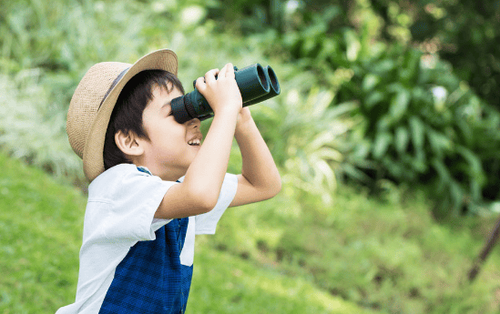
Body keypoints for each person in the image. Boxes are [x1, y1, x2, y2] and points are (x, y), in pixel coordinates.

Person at [57, 48, 281, 313]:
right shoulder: (118, 187)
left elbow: (263, 185)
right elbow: (200, 195)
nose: (195, 120)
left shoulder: (179, 188)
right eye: (176, 113)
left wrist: (241, 120)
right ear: (131, 140)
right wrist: (225, 112)